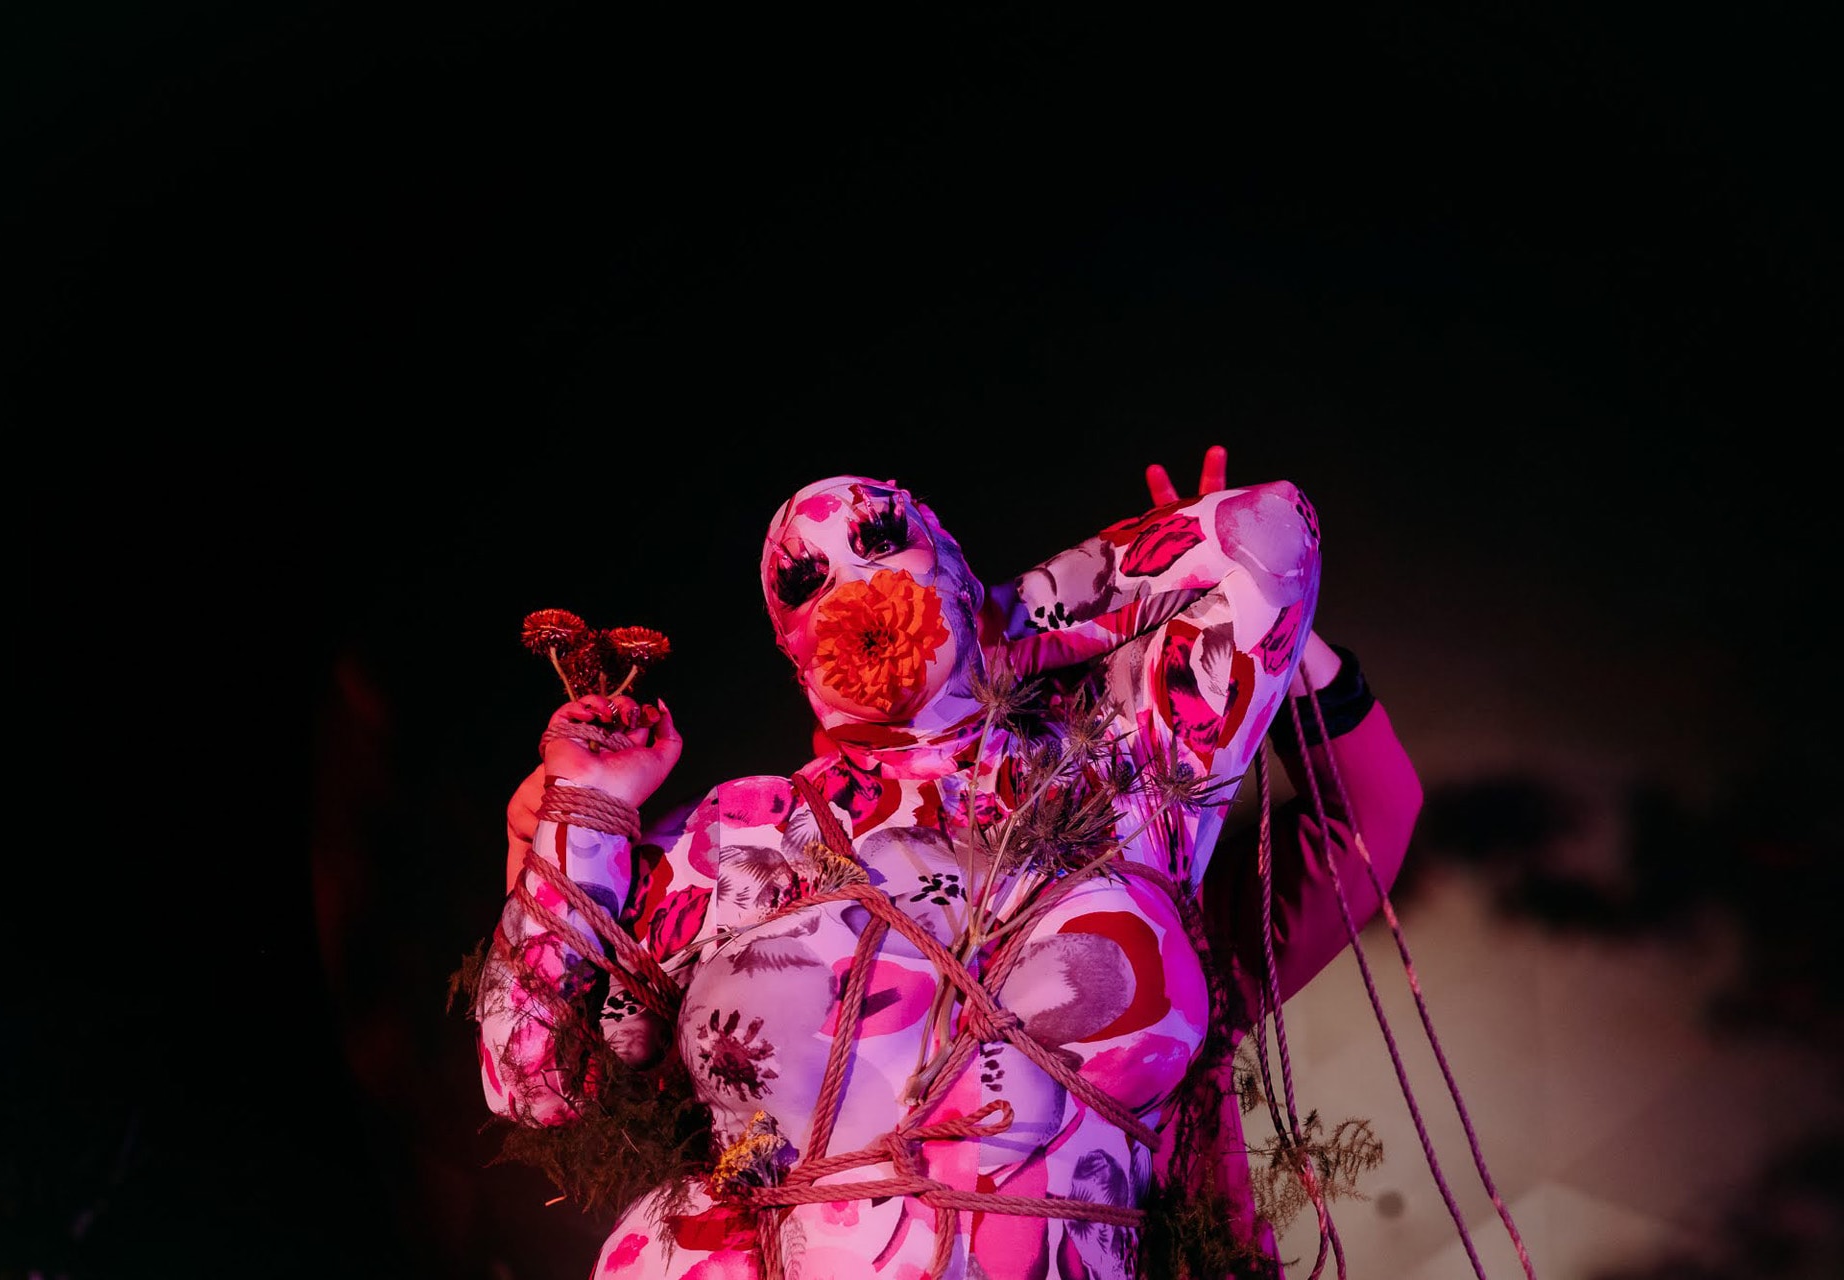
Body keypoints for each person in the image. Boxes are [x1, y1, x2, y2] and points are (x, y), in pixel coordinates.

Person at [465, 448, 1422, 1279]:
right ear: (788, 649)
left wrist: (1001, 621)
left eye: (884, 542)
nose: (855, 588)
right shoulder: (736, 839)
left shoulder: (1120, 763)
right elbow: (533, 1079)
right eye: (807, 583)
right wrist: (584, 812)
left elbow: (1269, 531)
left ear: (958, 565)